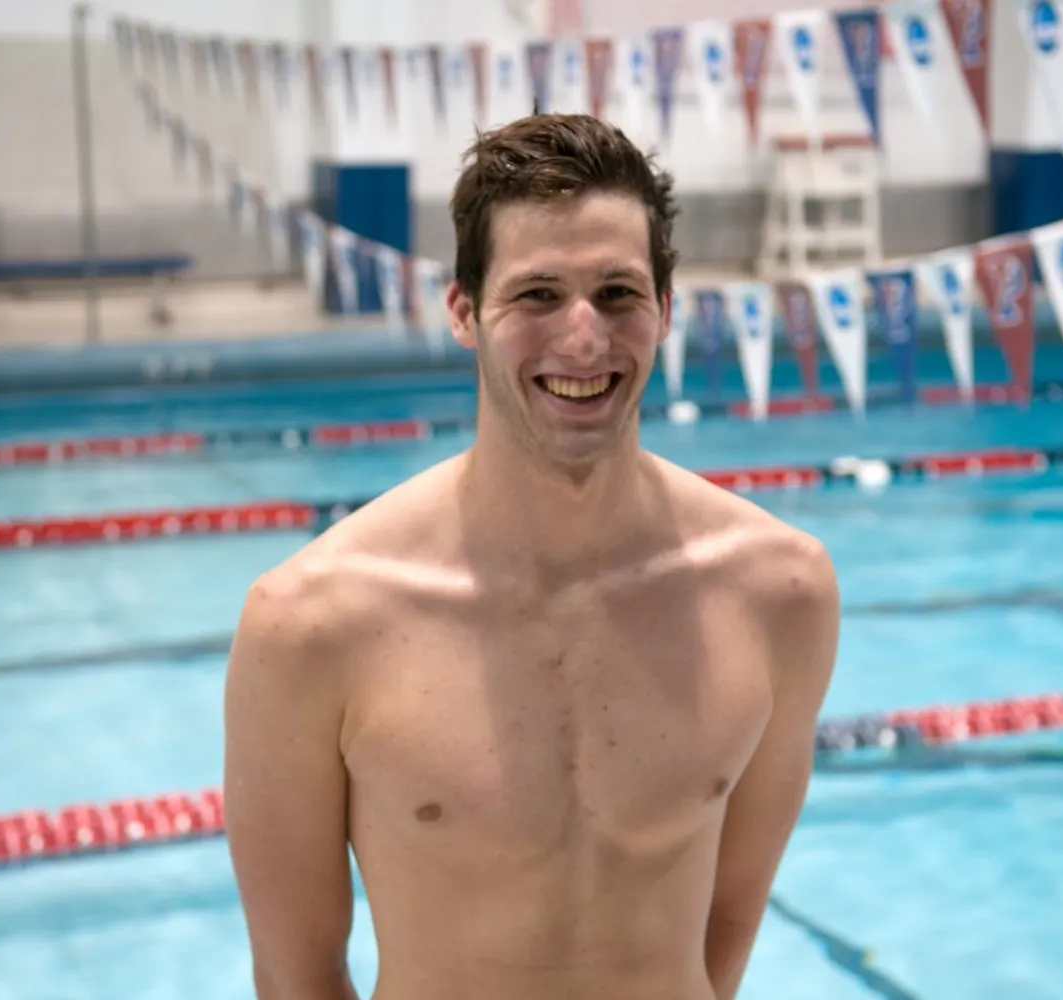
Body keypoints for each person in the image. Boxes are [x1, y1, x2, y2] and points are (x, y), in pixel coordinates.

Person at [223, 113, 840, 1000]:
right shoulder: (314, 622)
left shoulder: (781, 592)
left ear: (666, 310)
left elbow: (731, 920)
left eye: (618, 293)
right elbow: (296, 976)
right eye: (538, 294)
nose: (584, 339)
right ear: (466, 312)